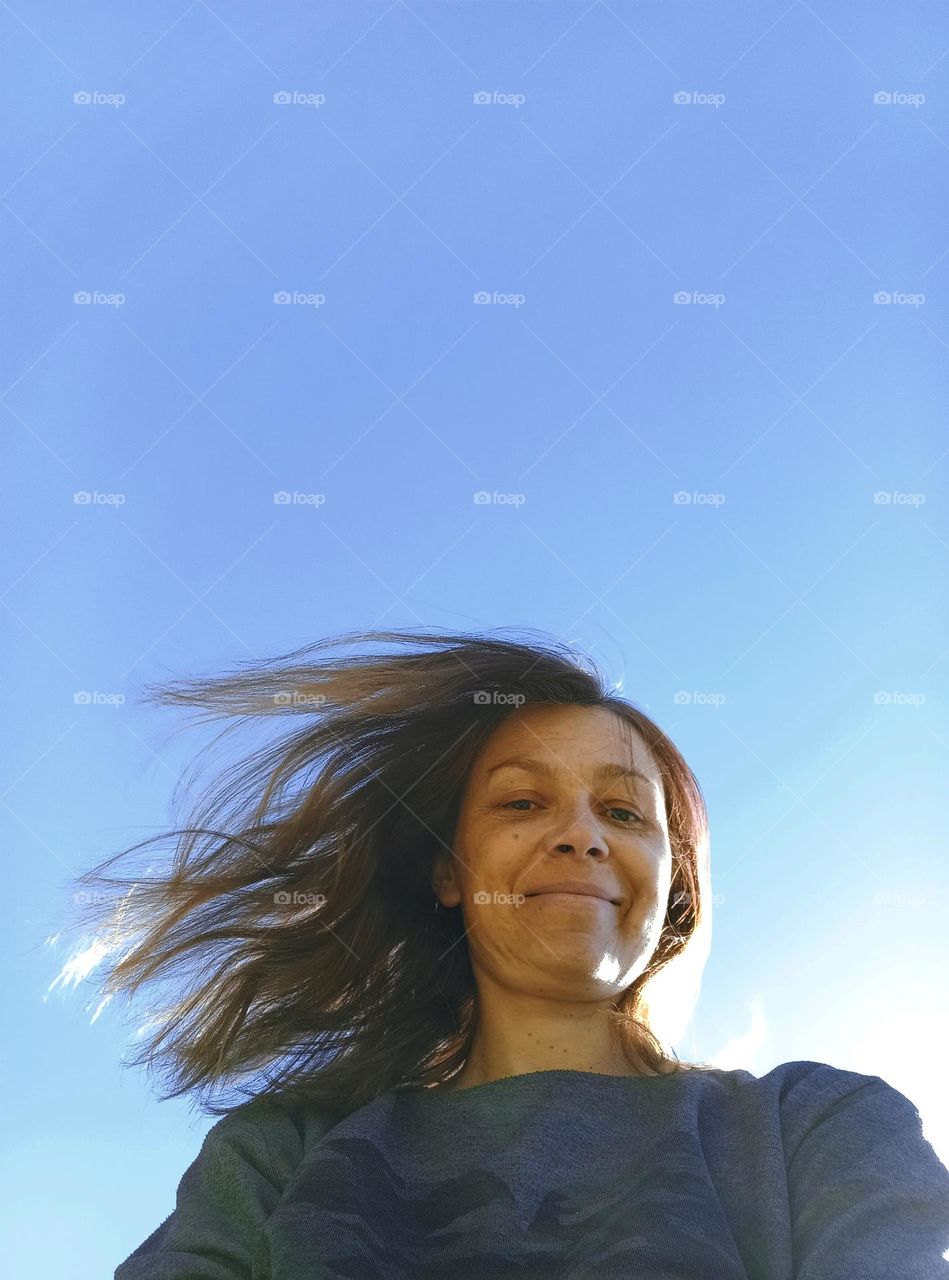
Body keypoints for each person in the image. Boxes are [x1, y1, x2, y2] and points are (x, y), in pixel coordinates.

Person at [65, 628, 949, 1278]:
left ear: (674, 885)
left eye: (624, 812)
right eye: (522, 803)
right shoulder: (281, 1153)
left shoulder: (815, 1128)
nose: (580, 837)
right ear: (448, 873)